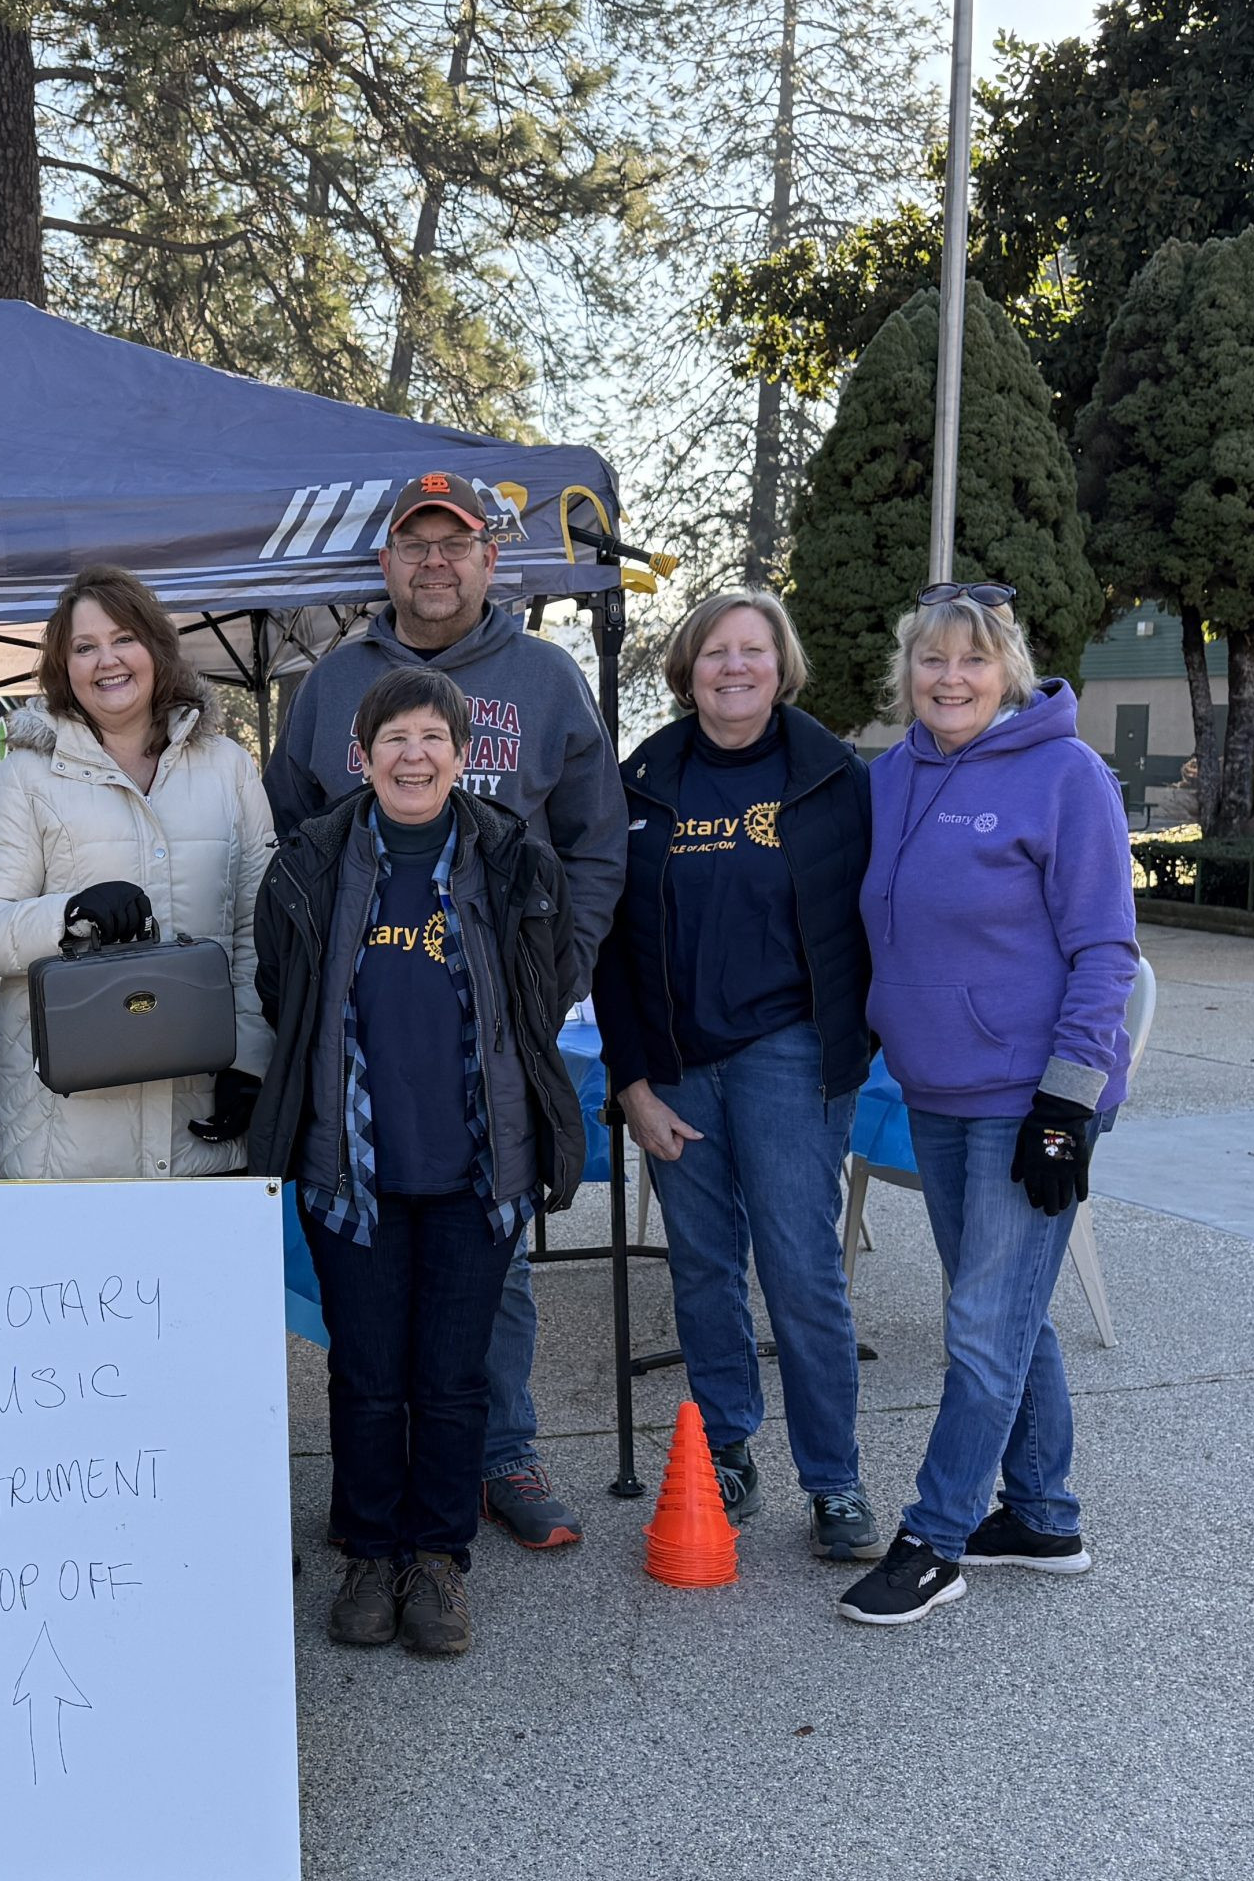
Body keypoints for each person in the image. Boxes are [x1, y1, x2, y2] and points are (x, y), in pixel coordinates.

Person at [261, 471, 622, 1550]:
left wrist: (549, 978)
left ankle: (497, 1454)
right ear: (385, 565)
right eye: (413, 545)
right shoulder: (332, 684)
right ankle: (391, 1496)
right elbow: (290, 844)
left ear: (487, 561)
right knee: (377, 1293)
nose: (433, 563)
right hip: (364, 1043)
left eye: (452, 544)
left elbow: (596, 843)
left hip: (494, 1034)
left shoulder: (547, 677)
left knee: (491, 1259)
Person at [248, 666, 585, 1656]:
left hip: (476, 1170)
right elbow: (282, 989)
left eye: (432, 737)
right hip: (351, 1170)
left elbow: (545, 985)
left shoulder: (510, 860)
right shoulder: (312, 861)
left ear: (463, 753)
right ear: (362, 755)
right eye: (392, 737)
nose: (412, 754)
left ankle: (435, 1557)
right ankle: (366, 1547)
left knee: (448, 1377)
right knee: (365, 1374)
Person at [838, 584, 1138, 1626]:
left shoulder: (1066, 776)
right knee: (1001, 1313)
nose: (949, 678)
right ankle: (1046, 1517)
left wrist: (1067, 1105)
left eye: (970, 660)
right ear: (906, 674)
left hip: (1029, 1098)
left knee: (979, 1326)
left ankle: (937, 1537)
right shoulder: (890, 778)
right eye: (931, 661)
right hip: (935, 1091)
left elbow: (1106, 952)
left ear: (1006, 667)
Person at [593, 591, 878, 1559]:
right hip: (676, 1065)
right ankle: (721, 1447)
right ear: (687, 668)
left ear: (780, 664)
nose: (734, 667)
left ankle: (833, 1480)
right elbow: (611, 948)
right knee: (704, 1268)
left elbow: (880, 918)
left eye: (753, 650)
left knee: (800, 1272)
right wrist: (631, 1085)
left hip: (789, 1056)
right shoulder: (639, 782)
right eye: (715, 651)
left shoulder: (836, 779)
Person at [0, 566, 274, 1178]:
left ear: (155, 646)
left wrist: (251, 1061)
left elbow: (258, 936)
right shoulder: (25, 776)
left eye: (123, 638)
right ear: (63, 667)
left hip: (198, 1125)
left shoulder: (229, 768)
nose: (108, 661)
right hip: (63, 1139)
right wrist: (66, 915)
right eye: (84, 647)